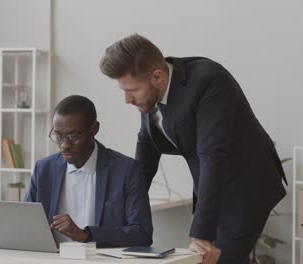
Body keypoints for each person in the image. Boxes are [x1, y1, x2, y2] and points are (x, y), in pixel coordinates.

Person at [99, 33, 287, 263]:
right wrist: (122, 214)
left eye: (132, 90)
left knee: (218, 259)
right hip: (211, 185)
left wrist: (202, 234)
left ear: (157, 76)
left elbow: (213, 156)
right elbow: (146, 152)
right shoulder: (151, 95)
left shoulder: (209, 80)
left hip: (245, 186)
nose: (127, 100)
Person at [24, 95, 153, 247]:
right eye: (58, 136)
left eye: (73, 136)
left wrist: (86, 235)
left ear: (94, 129)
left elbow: (142, 234)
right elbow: (25, 222)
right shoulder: (44, 169)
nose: (64, 145)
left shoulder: (126, 170)